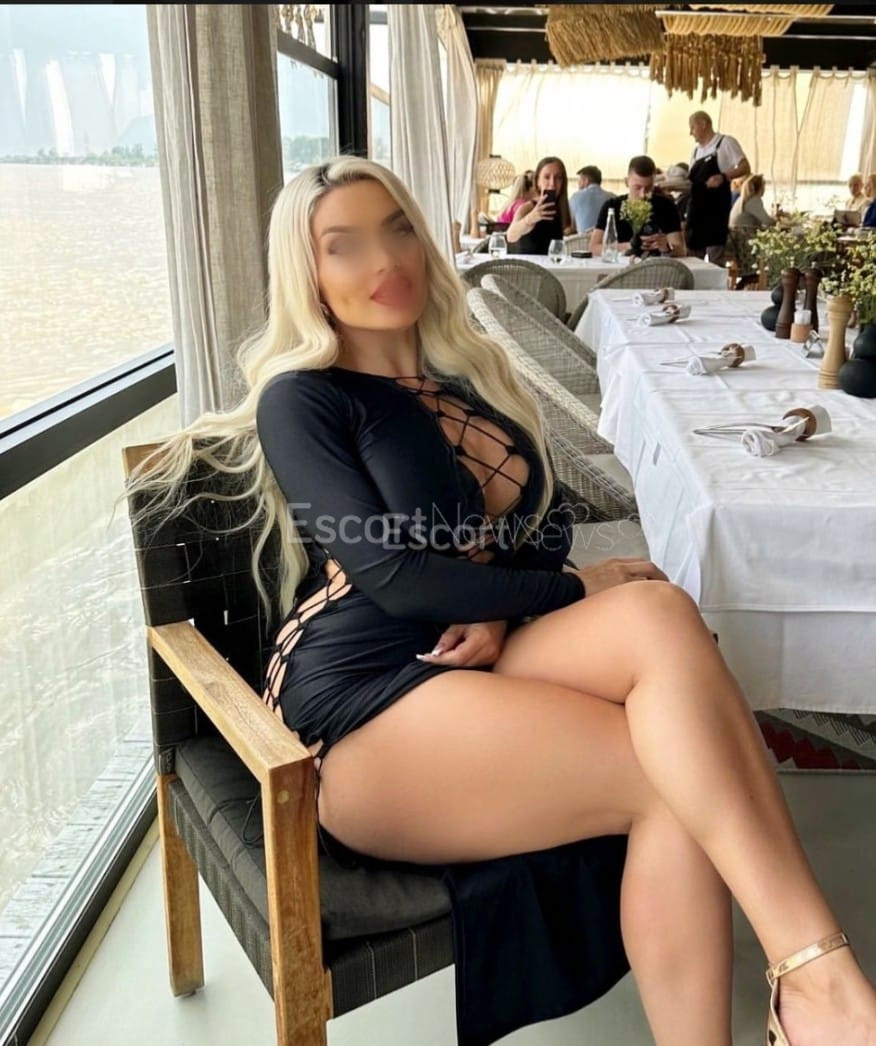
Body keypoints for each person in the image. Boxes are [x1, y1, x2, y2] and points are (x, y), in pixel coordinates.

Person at [127, 156, 876, 1046]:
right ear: (310, 275)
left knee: (658, 614)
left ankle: (816, 987)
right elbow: (393, 575)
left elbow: (544, 528)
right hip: (358, 701)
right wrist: (563, 589)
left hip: (466, 648)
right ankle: (822, 990)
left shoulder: (464, 381)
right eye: (343, 245)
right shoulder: (306, 400)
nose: (383, 260)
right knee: (678, 777)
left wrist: (497, 603)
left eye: (397, 229)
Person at [687, 110, 751, 265]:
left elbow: (745, 167)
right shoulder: (696, 151)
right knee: (693, 259)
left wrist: (723, 176)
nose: (690, 132)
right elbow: (690, 180)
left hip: (715, 212)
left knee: (715, 259)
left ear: (703, 124)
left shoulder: (725, 142)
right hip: (696, 211)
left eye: (692, 127)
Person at [591, 154, 685, 258]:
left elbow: (681, 250)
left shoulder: (666, 206)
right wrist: (628, 246)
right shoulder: (612, 206)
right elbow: (594, 248)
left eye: (648, 188)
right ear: (627, 182)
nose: (642, 194)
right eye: (637, 187)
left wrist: (666, 247)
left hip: (656, 266)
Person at [506, 155, 575, 254]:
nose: (552, 183)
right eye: (547, 177)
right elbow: (510, 236)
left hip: (554, 262)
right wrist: (531, 218)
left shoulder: (563, 208)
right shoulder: (528, 207)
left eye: (558, 178)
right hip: (528, 263)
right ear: (538, 181)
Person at [569, 165, 615, 233]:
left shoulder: (575, 197)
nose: (578, 184)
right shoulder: (613, 198)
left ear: (586, 180)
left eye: (579, 180)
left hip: (583, 239)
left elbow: (572, 227)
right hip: (607, 239)